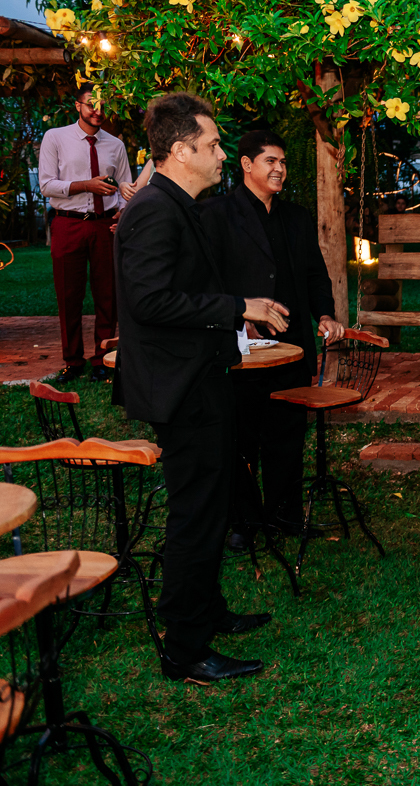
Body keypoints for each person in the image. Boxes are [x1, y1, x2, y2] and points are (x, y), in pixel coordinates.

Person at [113, 92, 290, 683]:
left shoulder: (184, 204)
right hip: (178, 388)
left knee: (212, 507)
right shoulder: (155, 210)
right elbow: (149, 300)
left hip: (200, 379)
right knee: (194, 514)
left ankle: (206, 610)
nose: (221, 155)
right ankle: (186, 648)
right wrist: (238, 305)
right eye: (213, 146)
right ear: (181, 150)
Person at [200, 130, 345, 550]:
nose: (279, 168)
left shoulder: (296, 217)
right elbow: (205, 281)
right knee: (240, 436)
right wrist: (235, 318)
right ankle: (243, 522)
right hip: (241, 349)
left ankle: (284, 515)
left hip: (294, 348)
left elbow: (316, 275)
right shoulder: (215, 214)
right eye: (270, 161)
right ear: (246, 165)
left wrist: (324, 313)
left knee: (287, 434)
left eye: (282, 162)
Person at [38, 83, 132, 383]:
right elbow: (46, 185)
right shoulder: (55, 137)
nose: (98, 110)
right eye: (91, 103)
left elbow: (126, 189)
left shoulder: (115, 145)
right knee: (69, 294)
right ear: (78, 105)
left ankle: (102, 359)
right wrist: (85, 185)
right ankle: (73, 361)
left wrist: (122, 211)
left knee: (108, 294)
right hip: (68, 223)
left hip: (105, 225)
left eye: (103, 105)